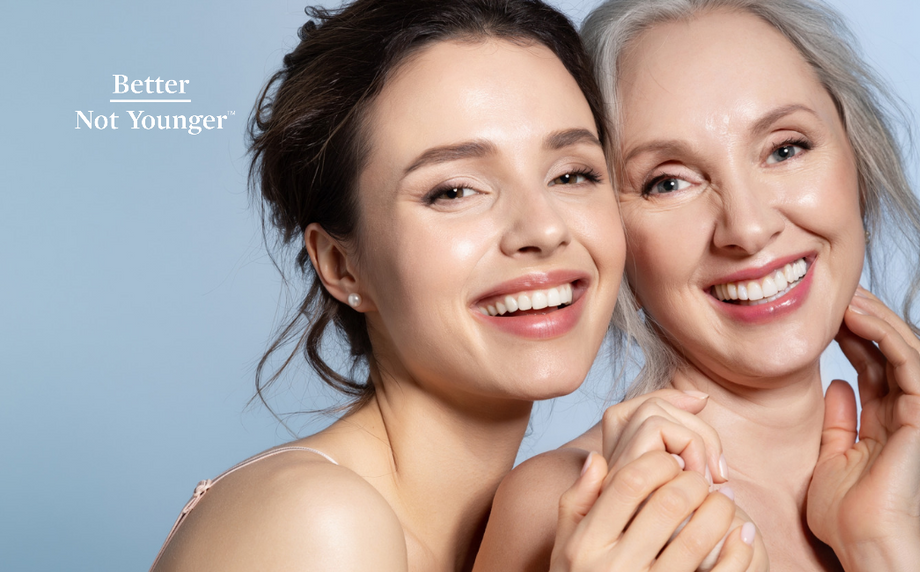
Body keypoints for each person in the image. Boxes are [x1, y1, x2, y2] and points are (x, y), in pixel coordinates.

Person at [149, 1, 758, 570]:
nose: (544, 229)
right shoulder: (317, 522)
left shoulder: (538, 530)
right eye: (455, 190)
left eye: (572, 174)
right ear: (340, 265)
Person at [478, 0, 920, 570]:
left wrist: (882, 546)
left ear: (857, 158)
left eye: (785, 149)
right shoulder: (569, 508)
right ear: (610, 228)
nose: (748, 228)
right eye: (668, 182)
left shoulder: (899, 526)